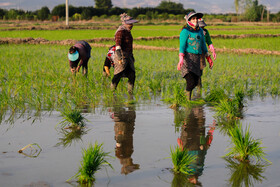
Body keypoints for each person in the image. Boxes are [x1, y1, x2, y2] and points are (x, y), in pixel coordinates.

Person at [177, 12, 213, 100]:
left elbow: (203, 45)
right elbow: (182, 46)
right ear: (189, 21)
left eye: (196, 18)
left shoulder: (200, 31)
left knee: (196, 81)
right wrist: (181, 59)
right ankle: (187, 102)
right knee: (190, 82)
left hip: (197, 58)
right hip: (187, 58)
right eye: (193, 19)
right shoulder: (185, 31)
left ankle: (190, 100)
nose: (196, 20)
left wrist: (208, 58)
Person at [111, 13, 138, 93]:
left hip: (129, 57)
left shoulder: (128, 32)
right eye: (130, 24)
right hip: (122, 57)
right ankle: (112, 92)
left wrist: (132, 57)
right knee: (118, 75)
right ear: (124, 23)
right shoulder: (120, 32)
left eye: (132, 23)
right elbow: (118, 46)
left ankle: (130, 93)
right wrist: (119, 58)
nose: (131, 25)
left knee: (132, 75)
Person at [197, 18, 216, 93]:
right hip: (192, 53)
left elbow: (209, 42)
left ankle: (199, 90)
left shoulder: (205, 32)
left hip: (201, 54)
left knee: (199, 72)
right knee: (192, 74)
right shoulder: (193, 32)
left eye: (203, 27)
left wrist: (213, 51)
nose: (202, 28)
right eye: (200, 27)